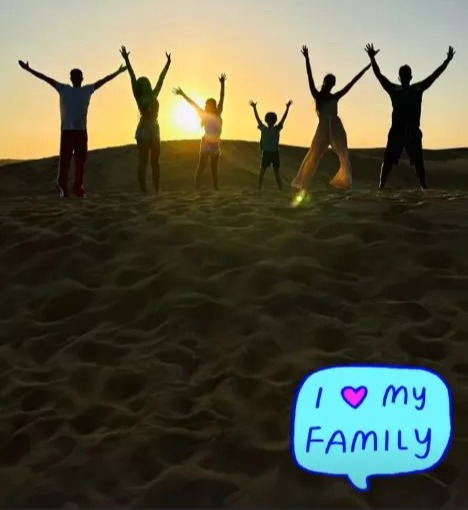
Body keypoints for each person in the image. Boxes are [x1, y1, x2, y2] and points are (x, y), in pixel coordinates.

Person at [18, 60, 127, 197]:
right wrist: (29, 69)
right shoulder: (65, 89)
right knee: (66, 163)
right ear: (74, 79)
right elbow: (46, 79)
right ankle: (65, 188)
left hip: (79, 132)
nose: (77, 79)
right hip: (69, 132)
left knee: (78, 162)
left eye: (78, 77)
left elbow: (103, 81)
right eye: (76, 77)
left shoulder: (84, 90)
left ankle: (76, 188)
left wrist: (117, 72)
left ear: (80, 79)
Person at [365, 43, 455, 190]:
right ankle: (384, 186)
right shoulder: (406, 89)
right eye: (404, 75)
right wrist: (447, 61)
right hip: (400, 131)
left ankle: (419, 186)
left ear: (401, 77)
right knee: (392, 160)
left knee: (413, 161)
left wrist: (372, 58)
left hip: (408, 131)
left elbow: (379, 76)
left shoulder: (409, 89)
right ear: (404, 77)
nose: (405, 77)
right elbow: (434, 76)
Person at [291, 45, 373, 199]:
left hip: (335, 127)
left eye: (333, 82)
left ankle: (342, 182)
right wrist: (307, 59)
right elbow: (310, 78)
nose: (332, 84)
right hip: (323, 128)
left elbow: (352, 82)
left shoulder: (336, 96)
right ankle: (302, 183)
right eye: (330, 81)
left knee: (343, 154)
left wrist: (368, 66)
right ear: (326, 82)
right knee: (314, 155)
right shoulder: (318, 95)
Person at [120, 46, 171, 193]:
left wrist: (167, 64)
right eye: (144, 82)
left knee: (154, 161)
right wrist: (127, 60)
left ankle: (155, 188)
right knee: (145, 160)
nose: (146, 83)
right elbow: (132, 75)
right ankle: (144, 188)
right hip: (146, 130)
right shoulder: (140, 96)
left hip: (153, 129)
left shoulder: (153, 94)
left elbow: (161, 78)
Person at [173, 74, 226, 191]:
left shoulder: (218, 113)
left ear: (214, 105)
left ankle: (215, 186)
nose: (209, 106)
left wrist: (222, 84)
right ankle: (197, 186)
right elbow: (193, 104)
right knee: (201, 166)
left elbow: (222, 97)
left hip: (215, 143)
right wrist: (182, 94)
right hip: (206, 142)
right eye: (208, 104)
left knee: (214, 168)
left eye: (211, 104)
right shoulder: (203, 114)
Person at [249, 100, 292, 190]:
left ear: (266, 120)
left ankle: (261, 187)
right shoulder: (274, 128)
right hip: (271, 153)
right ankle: (272, 187)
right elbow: (283, 119)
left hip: (270, 153)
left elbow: (258, 119)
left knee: (265, 171)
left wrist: (254, 108)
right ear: (275, 120)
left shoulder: (267, 128)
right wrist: (287, 108)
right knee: (271, 171)